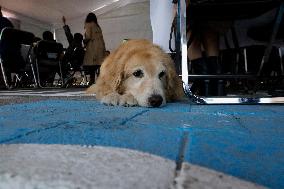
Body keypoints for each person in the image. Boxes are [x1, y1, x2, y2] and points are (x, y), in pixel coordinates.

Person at [83, 12, 106, 85]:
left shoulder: (88, 24)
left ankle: (92, 81)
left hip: (92, 46)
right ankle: (100, 81)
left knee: (91, 65)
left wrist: (84, 42)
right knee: (99, 64)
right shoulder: (97, 26)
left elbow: (88, 36)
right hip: (100, 46)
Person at [61, 16, 84, 85]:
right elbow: (68, 34)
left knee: (62, 64)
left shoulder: (72, 43)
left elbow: (68, 34)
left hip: (70, 62)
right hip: (77, 64)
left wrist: (64, 23)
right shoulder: (81, 47)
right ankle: (72, 77)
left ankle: (67, 76)